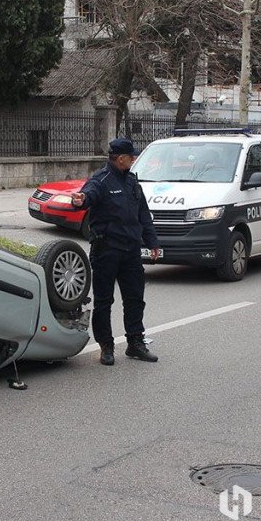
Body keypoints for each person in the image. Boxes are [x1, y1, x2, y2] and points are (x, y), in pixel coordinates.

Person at [71, 138, 161, 366]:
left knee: (135, 299)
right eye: (131, 156)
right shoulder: (101, 180)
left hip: (131, 251)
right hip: (106, 250)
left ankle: (135, 343)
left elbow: (143, 214)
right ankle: (106, 346)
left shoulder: (132, 182)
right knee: (104, 301)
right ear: (120, 158)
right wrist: (80, 201)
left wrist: (153, 242)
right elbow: (86, 196)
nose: (134, 159)